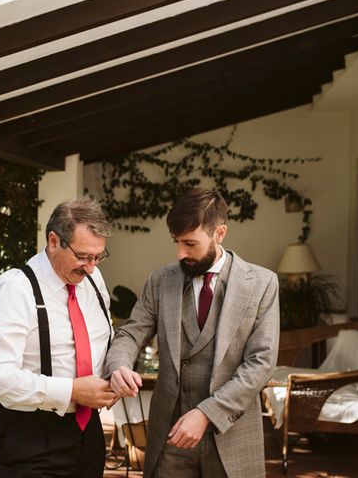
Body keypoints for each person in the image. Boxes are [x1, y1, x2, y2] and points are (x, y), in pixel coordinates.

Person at [105, 188, 279, 478]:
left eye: (190, 243)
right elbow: (131, 333)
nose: (180, 253)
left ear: (219, 233)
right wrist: (119, 365)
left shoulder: (261, 283)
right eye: (176, 242)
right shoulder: (160, 281)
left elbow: (261, 363)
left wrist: (206, 413)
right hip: (170, 437)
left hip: (232, 436)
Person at [0, 197, 117, 478]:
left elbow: (105, 337)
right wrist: (72, 391)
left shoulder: (93, 279)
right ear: (54, 241)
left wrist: (115, 374)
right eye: (82, 256)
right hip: (30, 437)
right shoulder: (15, 289)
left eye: (97, 257)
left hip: (87, 431)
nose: (90, 267)